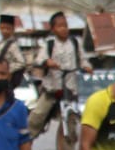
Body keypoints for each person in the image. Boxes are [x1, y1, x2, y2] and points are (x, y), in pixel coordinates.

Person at [29, 11, 91, 139]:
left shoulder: (75, 43)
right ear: (53, 29)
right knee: (37, 117)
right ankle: (25, 141)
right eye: (60, 26)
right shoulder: (49, 44)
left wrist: (87, 66)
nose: (64, 29)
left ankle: (71, 149)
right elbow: (39, 60)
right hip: (52, 89)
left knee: (72, 120)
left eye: (65, 25)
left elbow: (83, 59)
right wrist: (47, 62)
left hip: (70, 89)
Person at [0, 14, 29, 89]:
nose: (4, 31)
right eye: (2, 28)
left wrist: (8, 70)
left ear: (13, 29)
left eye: (7, 28)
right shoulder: (0, 43)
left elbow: (21, 62)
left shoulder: (13, 45)